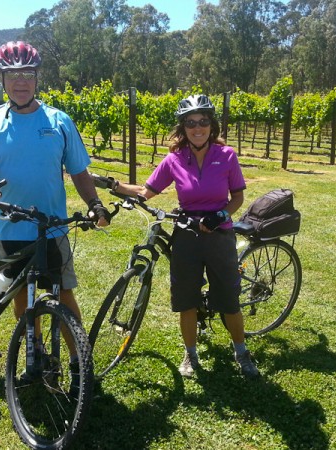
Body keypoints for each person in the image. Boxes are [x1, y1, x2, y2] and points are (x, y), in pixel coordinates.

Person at [0, 41, 109, 389]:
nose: (20, 82)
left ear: (37, 77)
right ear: (2, 79)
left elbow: (78, 171)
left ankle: (79, 365)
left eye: (27, 74)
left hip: (51, 228)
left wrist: (95, 204)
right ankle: (35, 351)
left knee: (63, 294)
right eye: (12, 75)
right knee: (20, 293)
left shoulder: (59, 121)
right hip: (6, 225)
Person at [101, 94, 259, 378]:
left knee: (229, 299)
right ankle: (191, 353)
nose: (197, 128)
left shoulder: (226, 156)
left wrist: (221, 215)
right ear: (183, 127)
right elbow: (147, 191)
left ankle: (241, 350)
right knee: (187, 299)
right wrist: (115, 185)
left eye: (203, 121)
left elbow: (237, 198)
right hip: (186, 235)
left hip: (219, 236)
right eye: (190, 123)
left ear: (212, 125)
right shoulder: (174, 159)